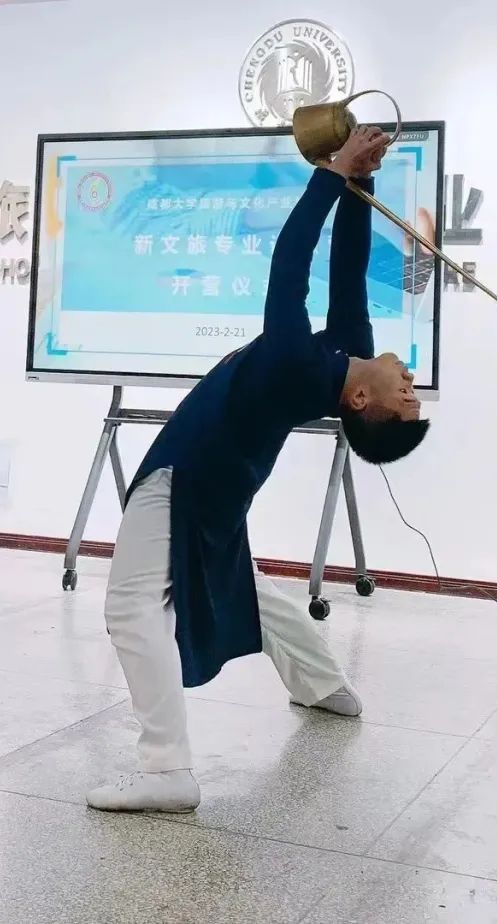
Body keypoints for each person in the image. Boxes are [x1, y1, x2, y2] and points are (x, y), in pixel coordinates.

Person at [87, 125, 429, 813]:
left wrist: (332, 172)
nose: (410, 381)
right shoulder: (342, 354)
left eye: (405, 397)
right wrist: (361, 183)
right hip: (223, 482)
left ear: (363, 403)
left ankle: (165, 770)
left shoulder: (298, 363)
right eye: (413, 391)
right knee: (241, 584)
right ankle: (324, 685)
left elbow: (290, 263)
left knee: (129, 606)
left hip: (187, 474)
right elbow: (348, 271)